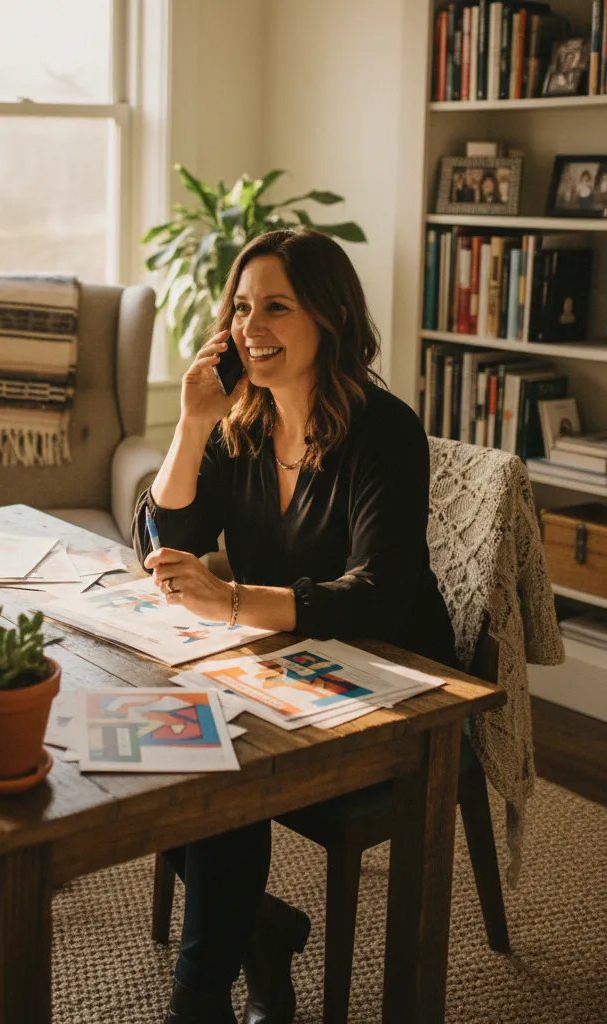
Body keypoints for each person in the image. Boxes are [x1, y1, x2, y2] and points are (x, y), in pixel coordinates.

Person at [133, 228, 457, 1024]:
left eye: (275, 306)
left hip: (391, 686)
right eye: (241, 309)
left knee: (214, 768)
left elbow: (378, 595)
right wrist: (192, 423)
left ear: (330, 316)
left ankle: (198, 997)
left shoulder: (383, 428)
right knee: (154, 747)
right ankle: (258, 932)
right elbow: (166, 543)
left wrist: (231, 602)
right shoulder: (242, 424)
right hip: (282, 665)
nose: (251, 327)